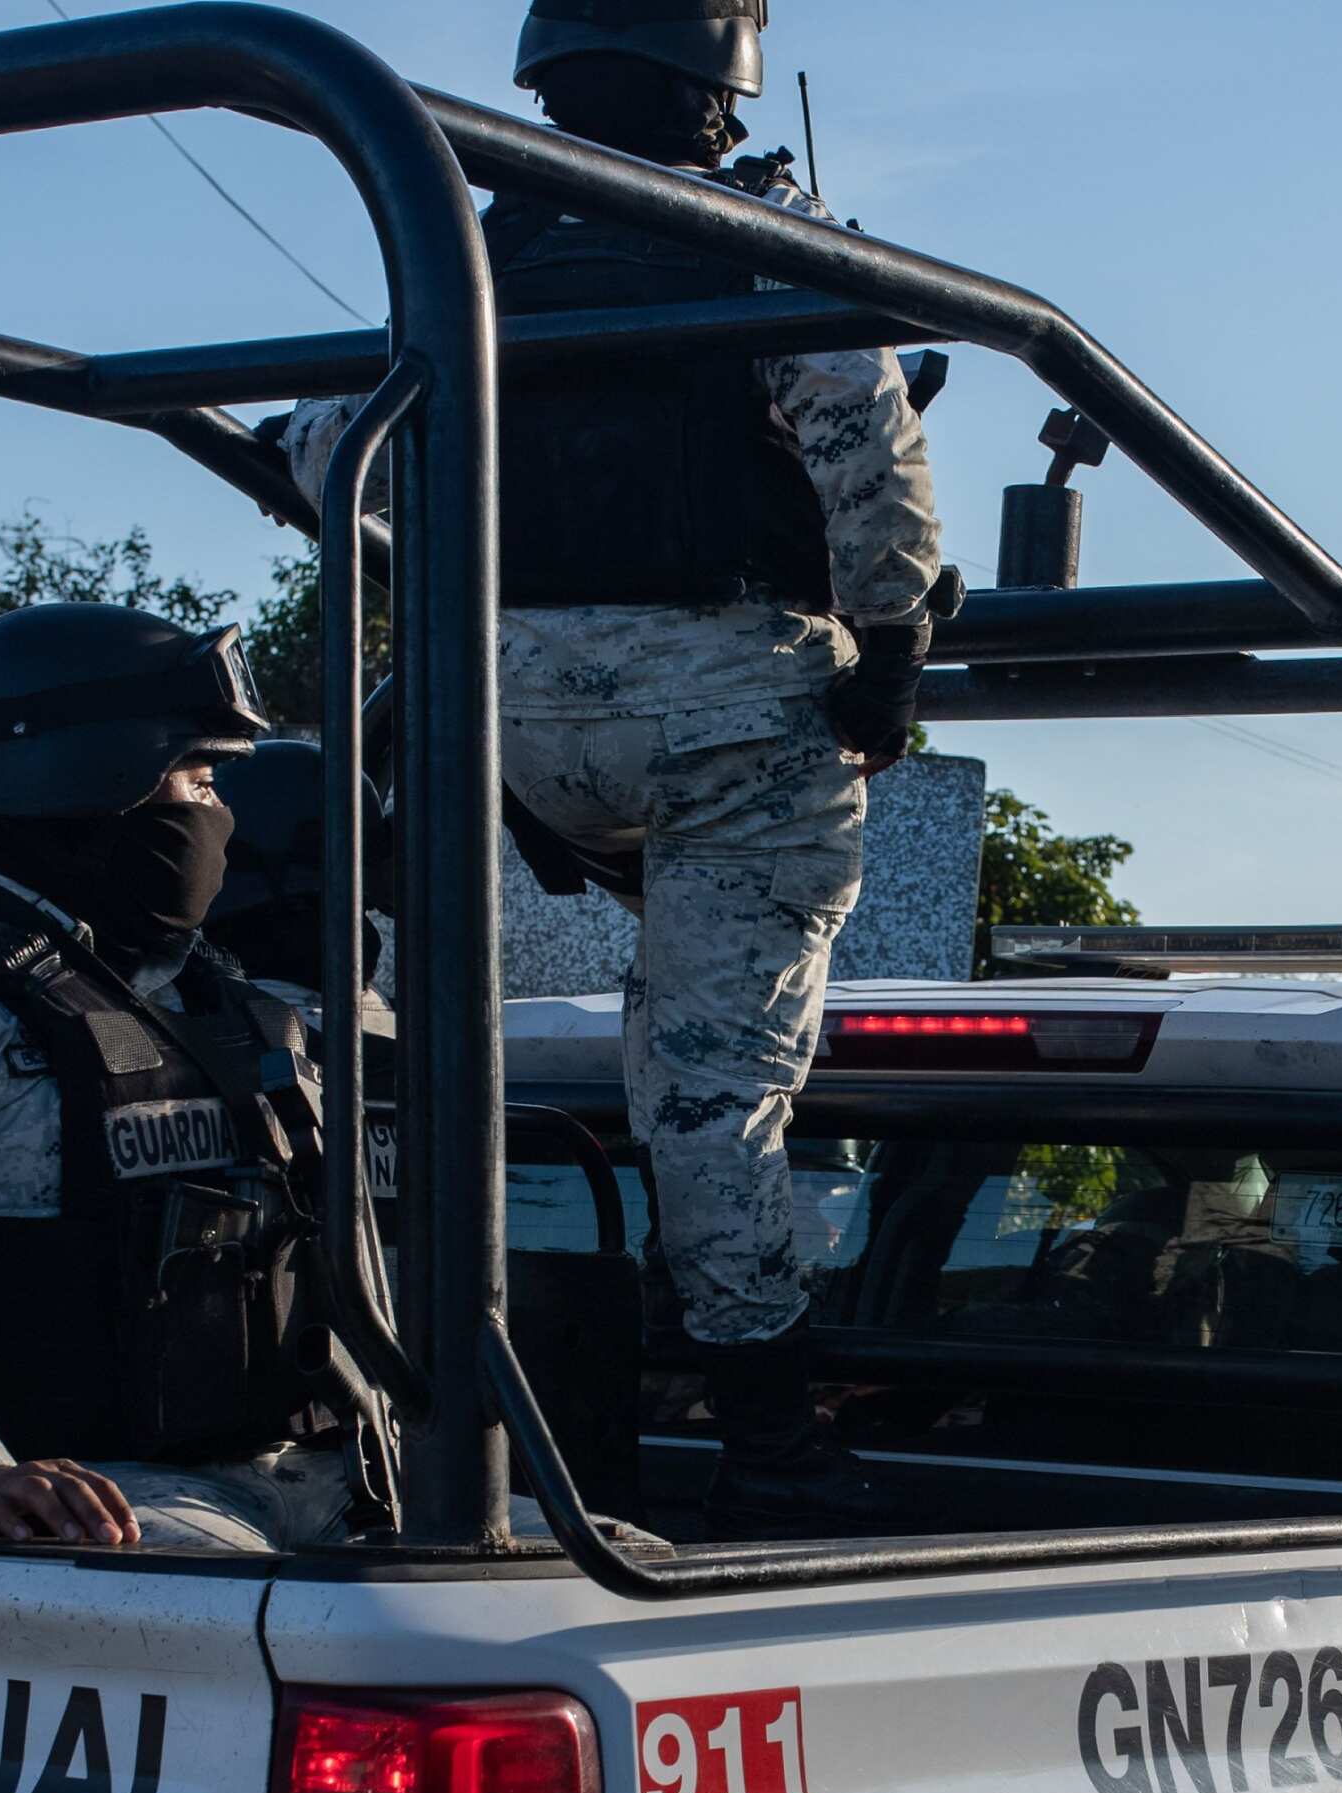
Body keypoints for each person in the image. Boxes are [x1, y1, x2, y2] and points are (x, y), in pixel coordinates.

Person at [269, 0, 946, 1528]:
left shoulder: (465, 247)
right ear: (719, 87)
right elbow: (868, 451)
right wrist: (891, 658)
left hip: (503, 713)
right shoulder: (763, 237)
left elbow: (325, 449)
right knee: (710, 1096)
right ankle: (772, 1439)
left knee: (419, 1053)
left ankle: (418, 1369)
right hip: (729, 714)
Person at [0, 604, 364, 1553]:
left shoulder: (211, 995)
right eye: (199, 779)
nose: (217, 816)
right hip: (100, 1498)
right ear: (91, 780)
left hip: (312, 1478)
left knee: (604, 1569)